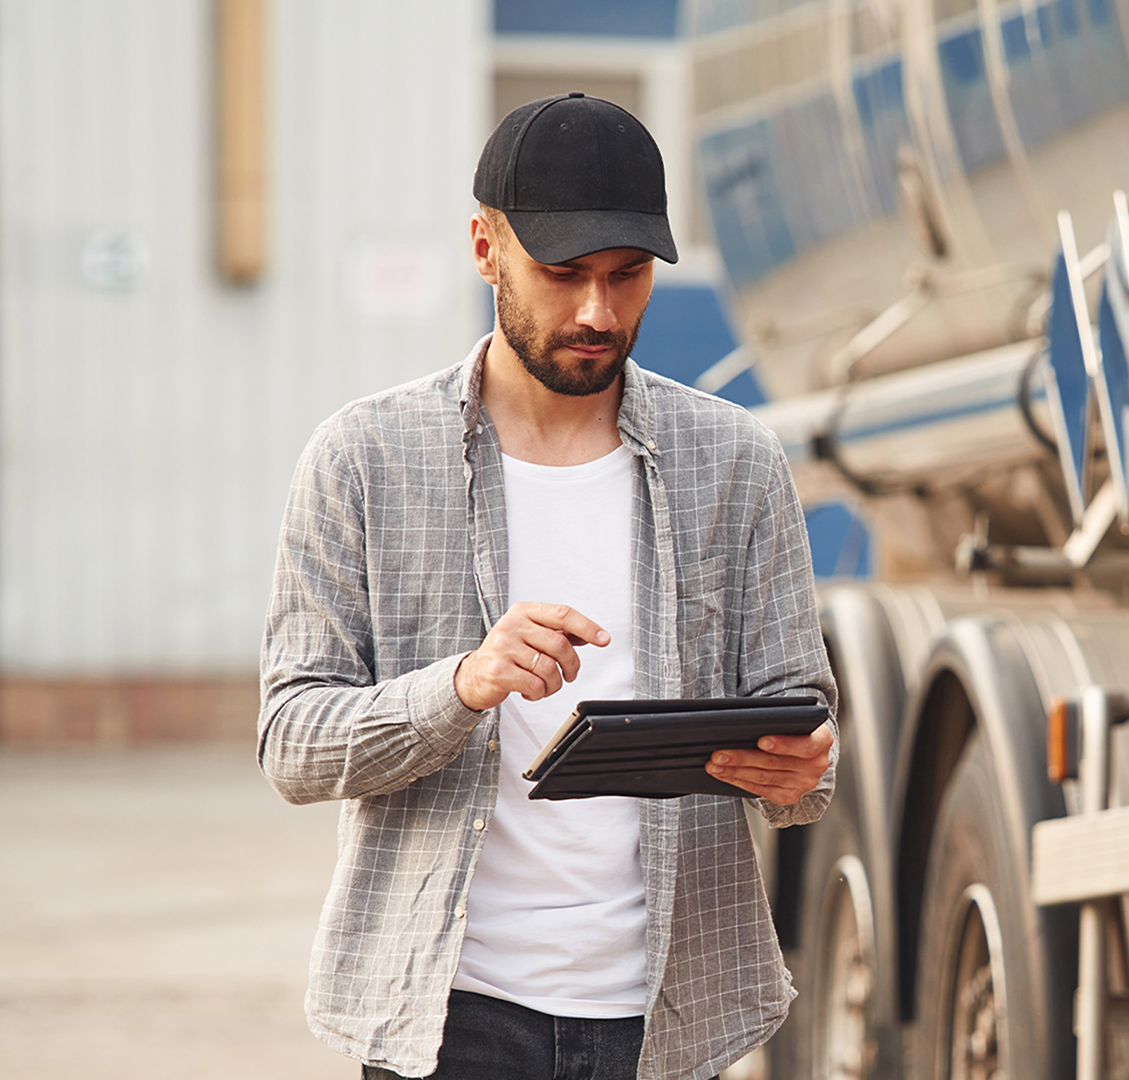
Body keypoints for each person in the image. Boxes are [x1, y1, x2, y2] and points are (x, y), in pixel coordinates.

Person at [259, 91, 838, 1080]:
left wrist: (801, 773)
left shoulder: (736, 463)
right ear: (485, 249)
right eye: (563, 274)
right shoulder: (365, 459)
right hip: (448, 1017)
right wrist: (461, 687)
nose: (598, 313)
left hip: (669, 1018)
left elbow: (805, 721)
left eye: (627, 275)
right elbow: (292, 744)